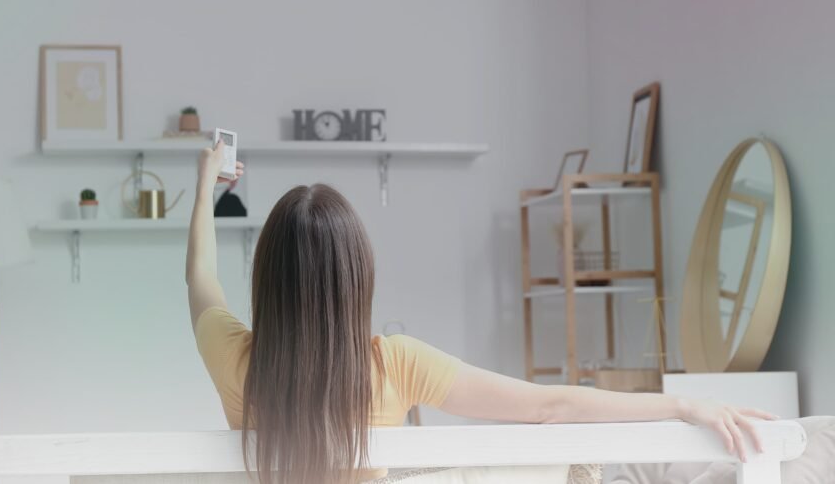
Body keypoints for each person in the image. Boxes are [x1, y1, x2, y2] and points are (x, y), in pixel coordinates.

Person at [186, 142, 775, 484]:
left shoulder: (232, 356)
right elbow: (551, 405)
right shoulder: (393, 363)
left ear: (267, 277)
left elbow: (201, 276)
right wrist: (682, 403)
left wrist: (206, 178)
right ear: (356, 280)